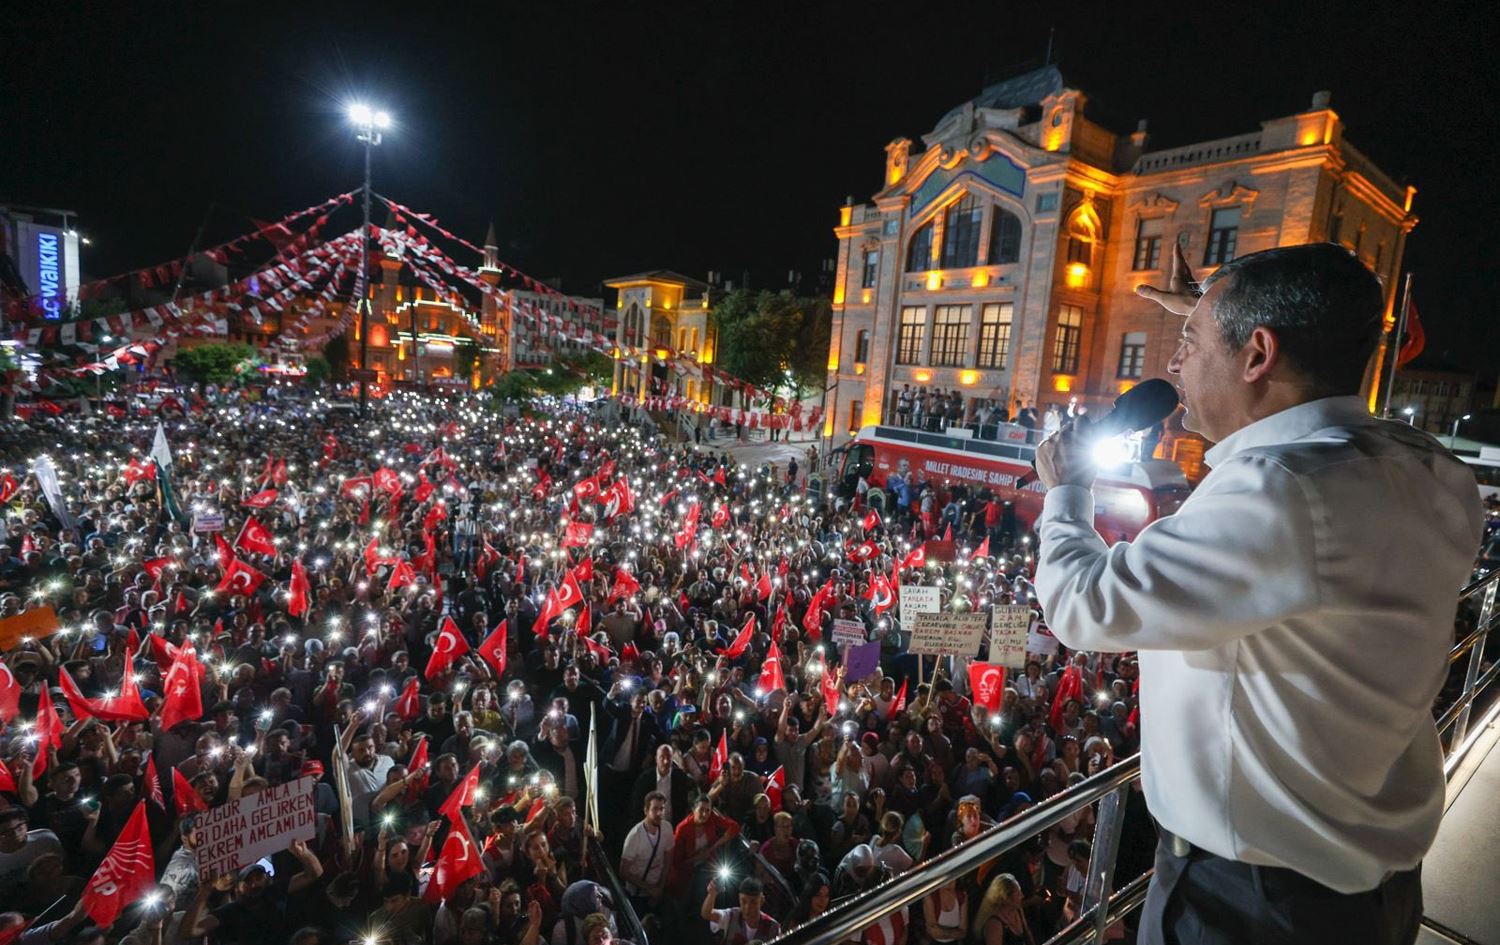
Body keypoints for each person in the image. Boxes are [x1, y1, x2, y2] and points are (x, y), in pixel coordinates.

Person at [1033, 242, 1483, 945]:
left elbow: (1082, 604)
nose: (1175, 362)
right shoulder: (1426, 467)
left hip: (1250, 902)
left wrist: (1064, 491)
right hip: (1363, 891)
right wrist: (1218, 313)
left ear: (1258, 355)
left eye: (1188, 341)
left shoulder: (1277, 491)